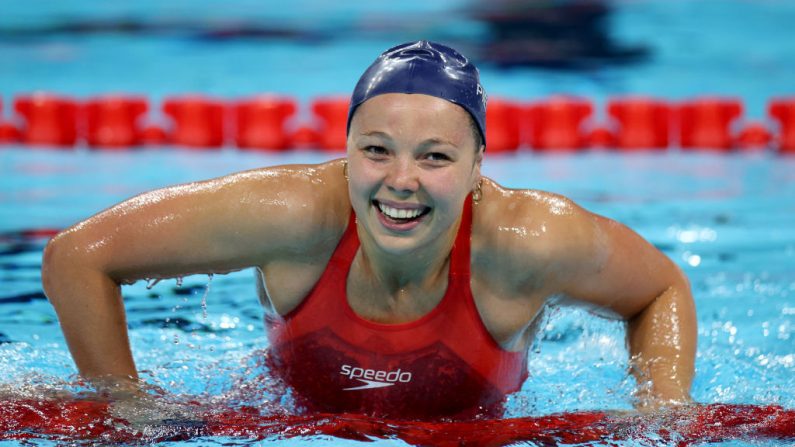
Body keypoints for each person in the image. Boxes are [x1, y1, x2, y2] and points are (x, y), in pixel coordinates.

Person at [42, 40, 696, 420]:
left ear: (476, 168)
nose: (400, 180)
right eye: (375, 150)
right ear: (346, 150)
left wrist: (660, 413)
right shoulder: (293, 214)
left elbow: (659, 289)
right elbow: (77, 257)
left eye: (434, 157)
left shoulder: (529, 238)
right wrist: (125, 406)